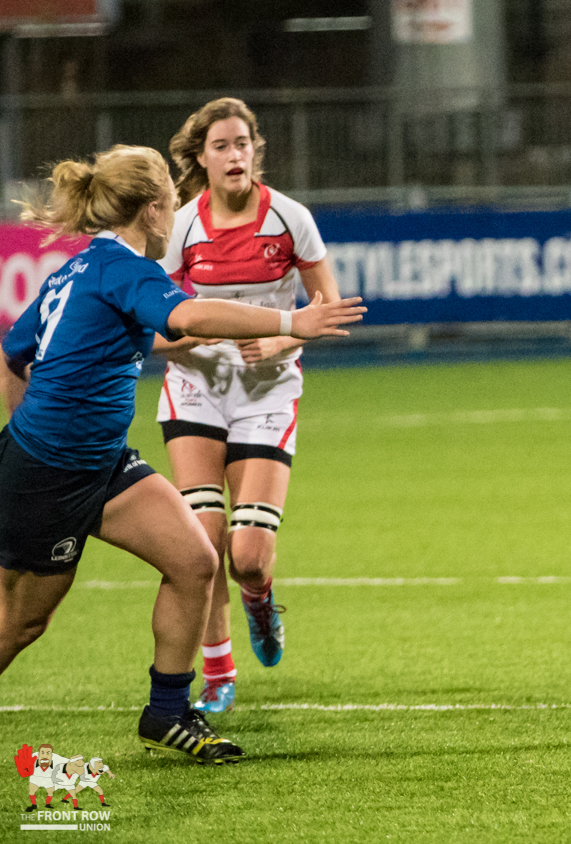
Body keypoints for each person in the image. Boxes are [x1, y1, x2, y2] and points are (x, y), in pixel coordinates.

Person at [0, 144, 364, 764]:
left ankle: (167, 713)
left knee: (196, 561)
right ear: (151, 210)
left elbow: (14, 353)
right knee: (20, 623)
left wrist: (32, 425)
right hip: (50, 475)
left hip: (97, 463)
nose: (177, 202)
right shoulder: (125, 269)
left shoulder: (82, 268)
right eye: (170, 191)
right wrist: (290, 325)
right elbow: (185, 312)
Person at [153, 98, 338, 713]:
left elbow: (326, 309)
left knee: (248, 558)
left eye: (243, 144)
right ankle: (218, 675)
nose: (235, 156)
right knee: (201, 548)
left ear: (256, 149)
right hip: (197, 389)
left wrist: (282, 338)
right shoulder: (181, 227)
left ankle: (260, 603)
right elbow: (153, 330)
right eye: (221, 147)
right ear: (200, 159)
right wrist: (206, 334)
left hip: (267, 391)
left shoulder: (290, 219)